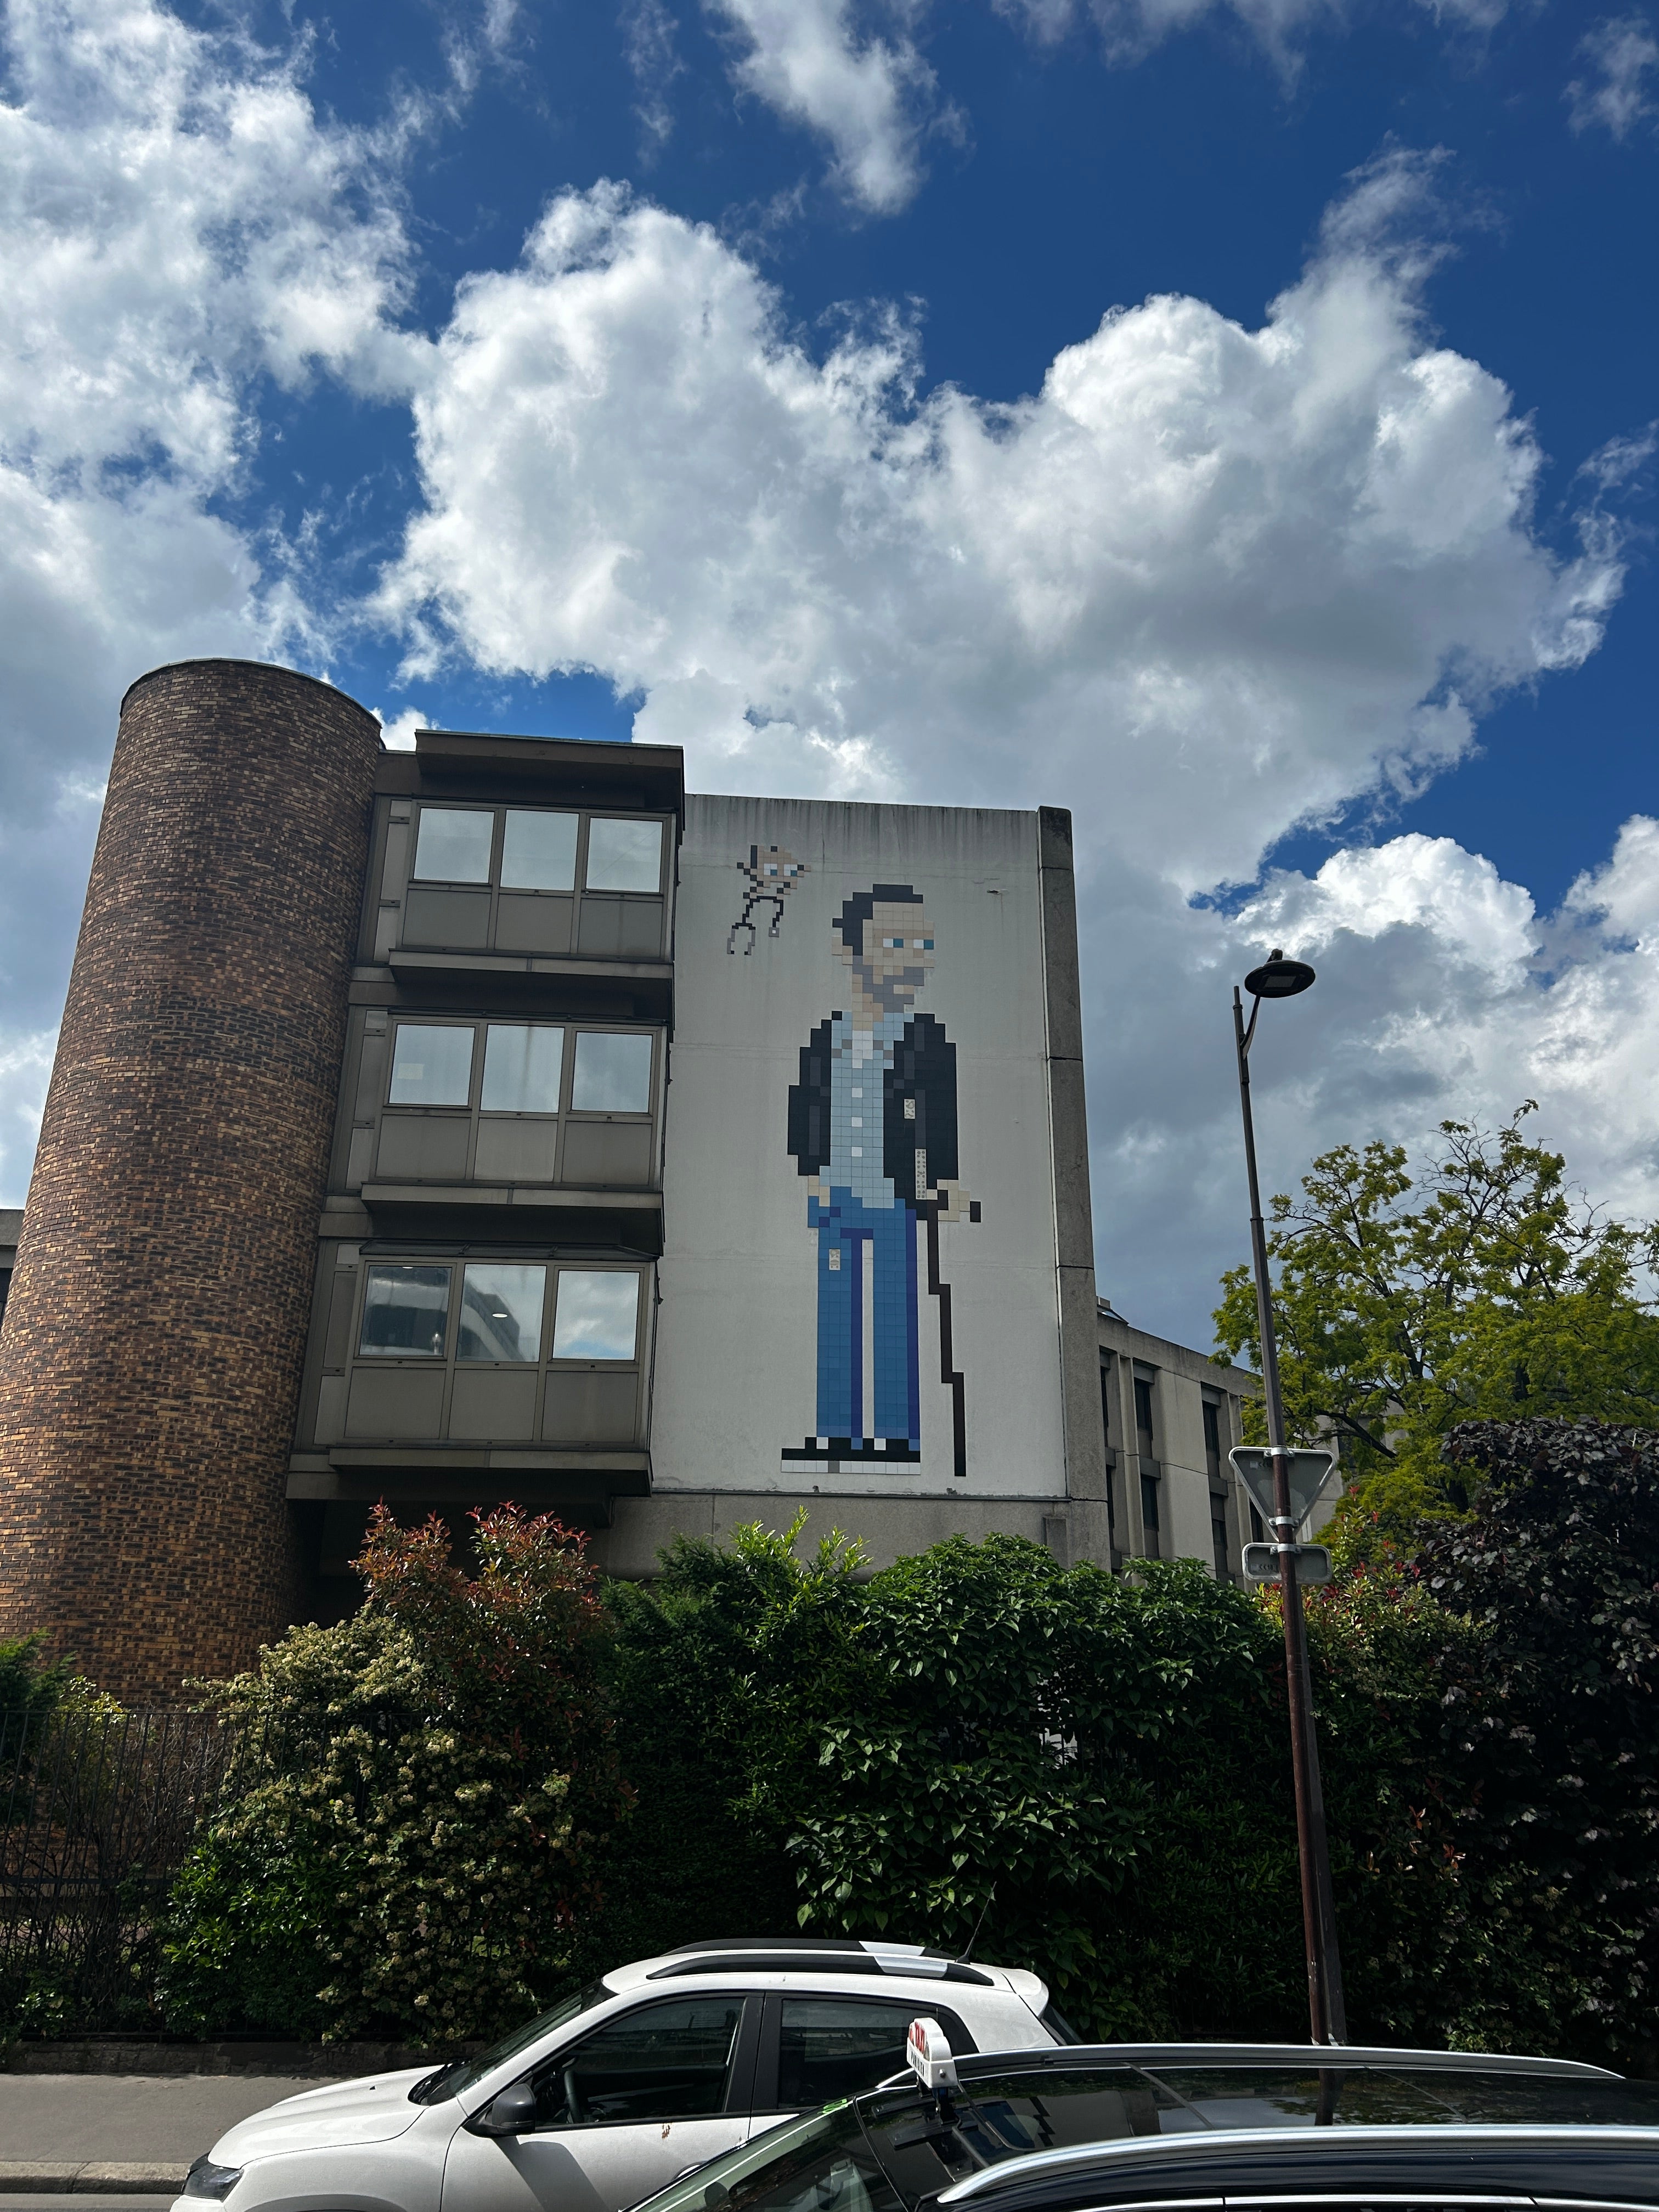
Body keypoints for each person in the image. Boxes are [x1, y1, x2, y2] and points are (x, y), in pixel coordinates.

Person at [785, 884, 977, 1465]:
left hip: (897, 1200)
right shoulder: (827, 1039)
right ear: (852, 953)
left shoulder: (928, 1041)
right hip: (836, 1199)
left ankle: (898, 1435)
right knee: (837, 1315)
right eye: (894, 942)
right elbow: (807, 1107)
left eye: (921, 944)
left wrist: (939, 1181)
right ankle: (837, 1431)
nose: (911, 957)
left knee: (895, 1314)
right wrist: (810, 1173)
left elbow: (941, 1121)